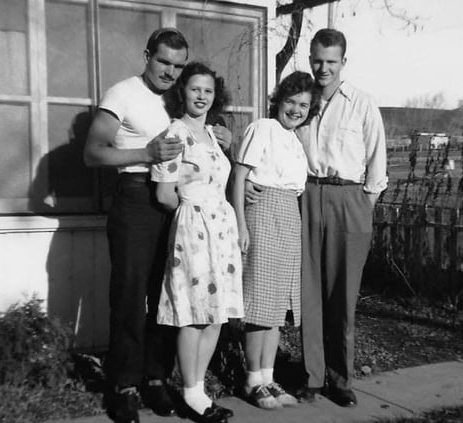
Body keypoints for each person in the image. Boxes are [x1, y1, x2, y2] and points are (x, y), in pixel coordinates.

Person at [84, 28, 231, 423]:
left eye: (178, 66)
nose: (170, 71)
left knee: (170, 295)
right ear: (147, 55)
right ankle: (124, 386)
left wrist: (221, 136)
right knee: (131, 295)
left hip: (179, 204)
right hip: (136, 198)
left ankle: (155, 377)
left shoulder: (177, 98)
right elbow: (93, 152)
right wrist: (145, 152)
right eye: (163, 61)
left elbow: (199, 136)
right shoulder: (123, 93)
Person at [246, 28, 388, 407]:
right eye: (318, 61)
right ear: (310, 59)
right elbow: (269, 144)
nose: (324, 68)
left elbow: (377, 165)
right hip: (307, 196)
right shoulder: (302, 103)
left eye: (331, 62)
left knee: (342, 295)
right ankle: (312, 376)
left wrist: (362, 206)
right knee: (308, 291)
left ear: (343, 62)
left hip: (349, 198)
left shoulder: (361, 104)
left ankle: (339, 380)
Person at [152, 62, 244, 423]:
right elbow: (164, 194)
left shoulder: (213, 134)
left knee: (215, 313)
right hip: (194, 229)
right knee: (193, 313)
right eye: (195, 89)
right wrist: (192, 211)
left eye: (208, 90)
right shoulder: (175, 133)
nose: (202, 96)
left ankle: (199, 390)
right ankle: (191, 392)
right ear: (182, 93)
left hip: (222, 229)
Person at [232, 71, 320, 409]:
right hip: (263, 213)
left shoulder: (296, 139)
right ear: (278, 100)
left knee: (277, 305)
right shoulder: (263, 127)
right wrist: (241, 224)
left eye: (303, 105)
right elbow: (239, 176)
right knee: (260, 304)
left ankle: (268, 378)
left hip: (289, 217)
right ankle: (252, 379)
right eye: (291, 102)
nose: (296, 110)